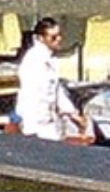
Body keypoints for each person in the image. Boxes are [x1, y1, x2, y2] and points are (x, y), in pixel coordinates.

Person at [15, 16, 92, 144]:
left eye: (59, 35)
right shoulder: (33, 61)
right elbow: (32, 95)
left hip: (48, 121)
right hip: (37, 123)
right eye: (53, 37)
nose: (58, 40)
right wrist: (32, 127)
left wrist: (71, 113)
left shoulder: (50, 60)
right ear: (41, 38)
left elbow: (55, 89)